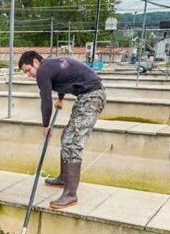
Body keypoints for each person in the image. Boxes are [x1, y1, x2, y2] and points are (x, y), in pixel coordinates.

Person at [18, 50, 107, 209]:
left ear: (36, 62)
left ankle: (71, 194)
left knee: (72, 143)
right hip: (89, 94)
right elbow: (63, 79)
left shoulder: (42, 71)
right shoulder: (50, 66)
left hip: (91, 96)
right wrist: (60, 98)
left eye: (28, 70)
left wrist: (46, 125)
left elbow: (45, 99)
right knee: (67, 136)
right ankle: (63, 178)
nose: (28, 75)